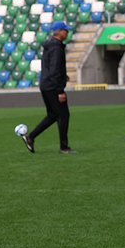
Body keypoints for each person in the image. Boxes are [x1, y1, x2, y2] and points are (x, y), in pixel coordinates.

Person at [22, 20, 73, 154]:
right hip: (53, 86)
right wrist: (60, 90)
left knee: (52, 115)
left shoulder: (50, 45)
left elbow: (52, 67)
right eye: (65, 30)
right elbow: (55, 68)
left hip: (46, 84)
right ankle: (64, 147)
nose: (67, 32)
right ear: (59, 31)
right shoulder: (56, 47)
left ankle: (31, 137)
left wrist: (63, 75)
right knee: (63, 115)